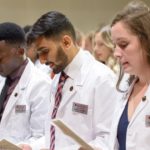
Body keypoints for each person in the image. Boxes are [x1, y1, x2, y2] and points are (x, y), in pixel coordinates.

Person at [24, 11, 119, 150]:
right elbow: (54, 135)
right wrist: (31, 146)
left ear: (66, 42)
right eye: (39, 54)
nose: (42, 60)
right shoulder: (58, 78)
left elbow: (108, 141)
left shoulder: (102, 79)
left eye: (45, 51)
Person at [103, 0, 150, 150]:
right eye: (115, 45)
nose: (116, 53)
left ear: (147, 40)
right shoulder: (124, 86)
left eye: (123, 45)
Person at [0, 22, 51, 147]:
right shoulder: (2, 78)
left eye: (0, 58)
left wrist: (29, 147)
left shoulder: (41, 85)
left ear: (20, 51)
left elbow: (43, 136)